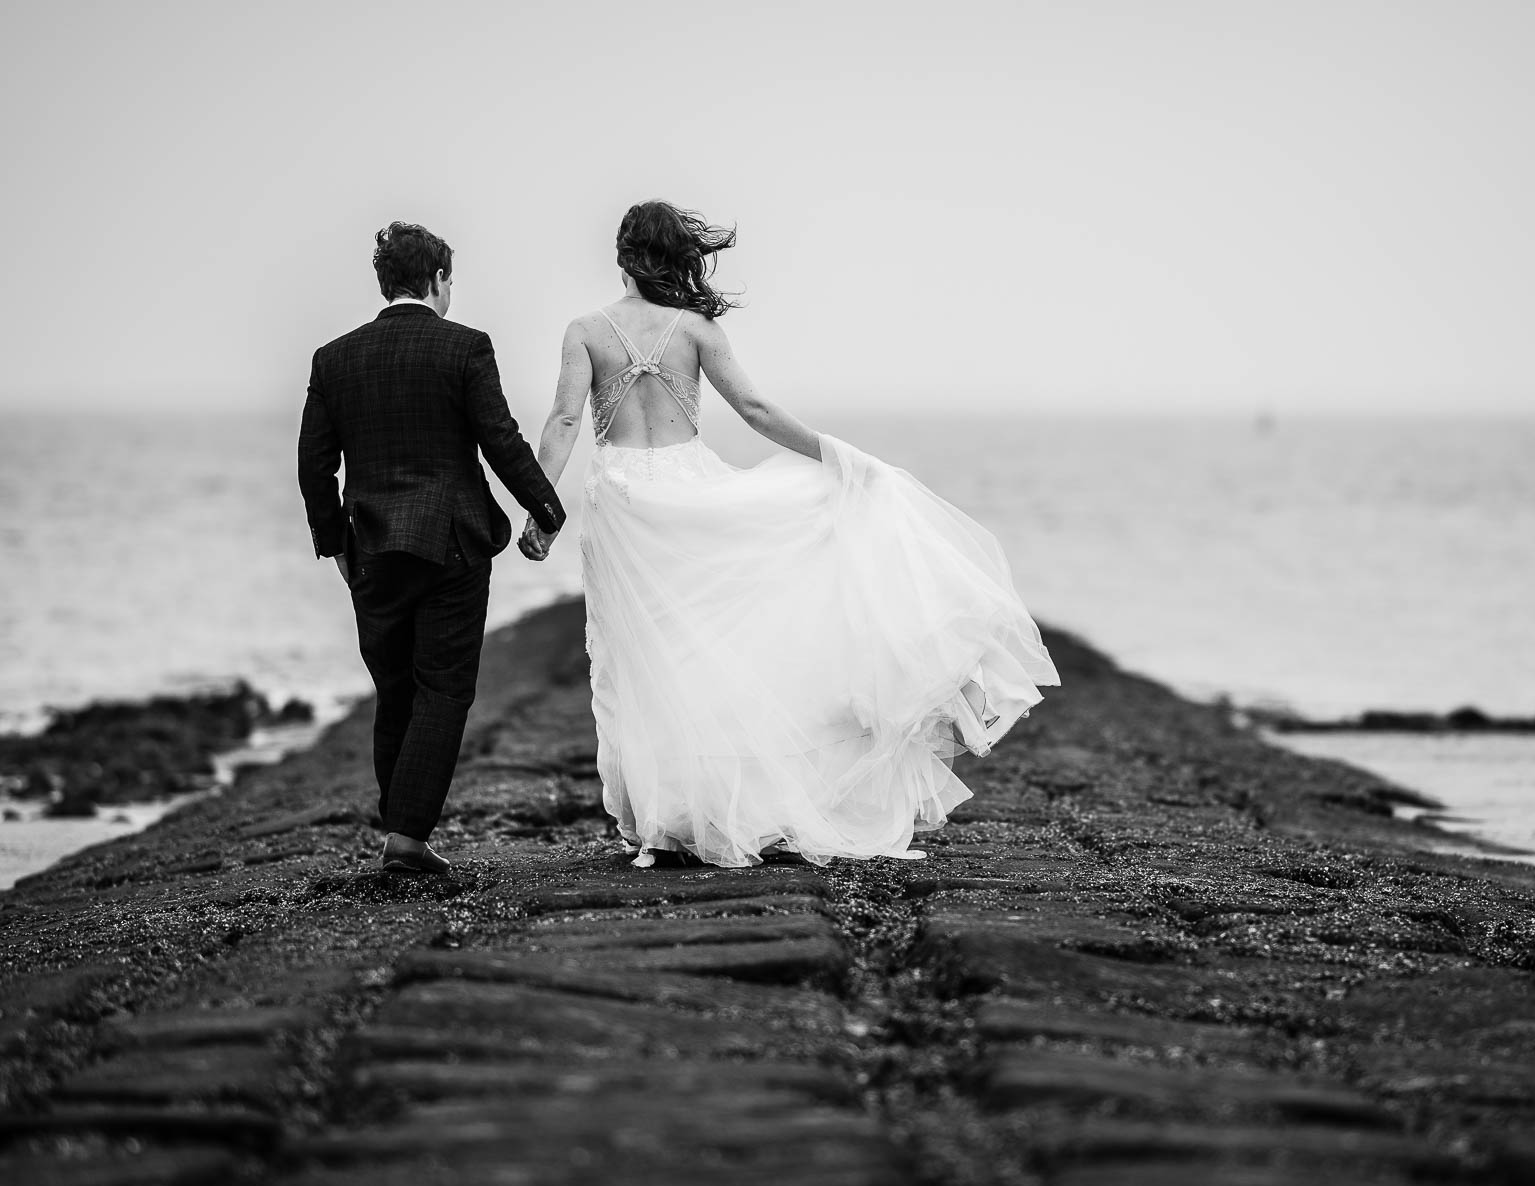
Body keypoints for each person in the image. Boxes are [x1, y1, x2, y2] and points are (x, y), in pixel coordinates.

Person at [520, 200, 1058, 868]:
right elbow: (755, 410)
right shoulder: (696, 329)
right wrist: (832, 456)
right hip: (690, 495)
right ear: (677, 257)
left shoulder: (584, 330)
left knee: (631, 662)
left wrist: (541, 511)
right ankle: (713, 805)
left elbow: (564, 423)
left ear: (623, 255)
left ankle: (652, 820)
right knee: (708, 646)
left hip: (624, 505)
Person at [299, 222, 566, 874]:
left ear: (386, 281)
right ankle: (407, 840)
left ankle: (401, 827)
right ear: (438, 280)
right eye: (451, 281)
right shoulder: (464, 348)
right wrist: (548, 509)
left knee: (394, 693)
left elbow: (313, 465)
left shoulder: (334, 359)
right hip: (451, 546)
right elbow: (499, 440)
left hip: (371, 549)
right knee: (442, 691)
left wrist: (334, 540)